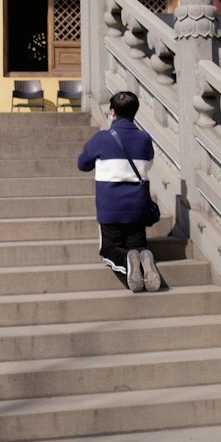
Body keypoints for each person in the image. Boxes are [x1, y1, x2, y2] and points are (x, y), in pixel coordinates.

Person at [77, 90, 161, 291]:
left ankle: (126, 261)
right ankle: (143, 256)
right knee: (137, 244)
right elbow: (148, 162)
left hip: (111, 207)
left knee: (109, 250)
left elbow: (82, 164)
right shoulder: (144, 139)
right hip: (138, 206)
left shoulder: (102, 138)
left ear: (112, 112)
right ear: (135, 113)